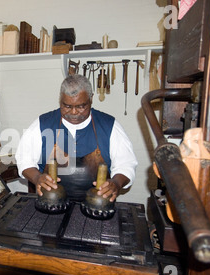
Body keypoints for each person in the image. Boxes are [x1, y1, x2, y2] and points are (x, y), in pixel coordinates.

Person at [15, 74, 137, 203]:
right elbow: (24, 160)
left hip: (96, 206)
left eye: (81, 106)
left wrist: (116, 183)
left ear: (91, 99)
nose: (73, 112)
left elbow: (126, 164)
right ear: (60, 100)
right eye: (67, 106)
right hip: (50, 204)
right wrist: (36, 178)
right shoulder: (42, 124)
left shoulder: (109, 126)